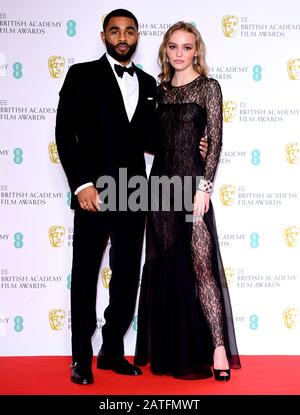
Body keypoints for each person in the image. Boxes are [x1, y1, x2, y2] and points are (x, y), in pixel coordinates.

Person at [55, 9, 158, 385]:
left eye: (129, 30)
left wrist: (190, 142)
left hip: (134, 192)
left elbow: (149, 140)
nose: (122, 36)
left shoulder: (148, 83)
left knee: (128, 275)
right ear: (103, 36)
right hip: (94, 193)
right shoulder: (81, 74)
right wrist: (81, 185)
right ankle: (80, 357)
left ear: (137, 36)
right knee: (85, 275)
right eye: (115, 30)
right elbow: (65, 134)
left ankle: (112, 352)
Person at [134, 21, 241, 381]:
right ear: (166, 50)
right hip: (161, 187)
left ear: (197, 51)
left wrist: (204, 188)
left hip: (193, 186)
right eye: (173, 47)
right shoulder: (159, 92)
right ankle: (170, 351)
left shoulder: (209, 88)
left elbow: (217, 140)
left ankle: (218, 348)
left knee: (200, 263)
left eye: (187, 47)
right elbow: (152, 140)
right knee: (166, 266)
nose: (179, 53)